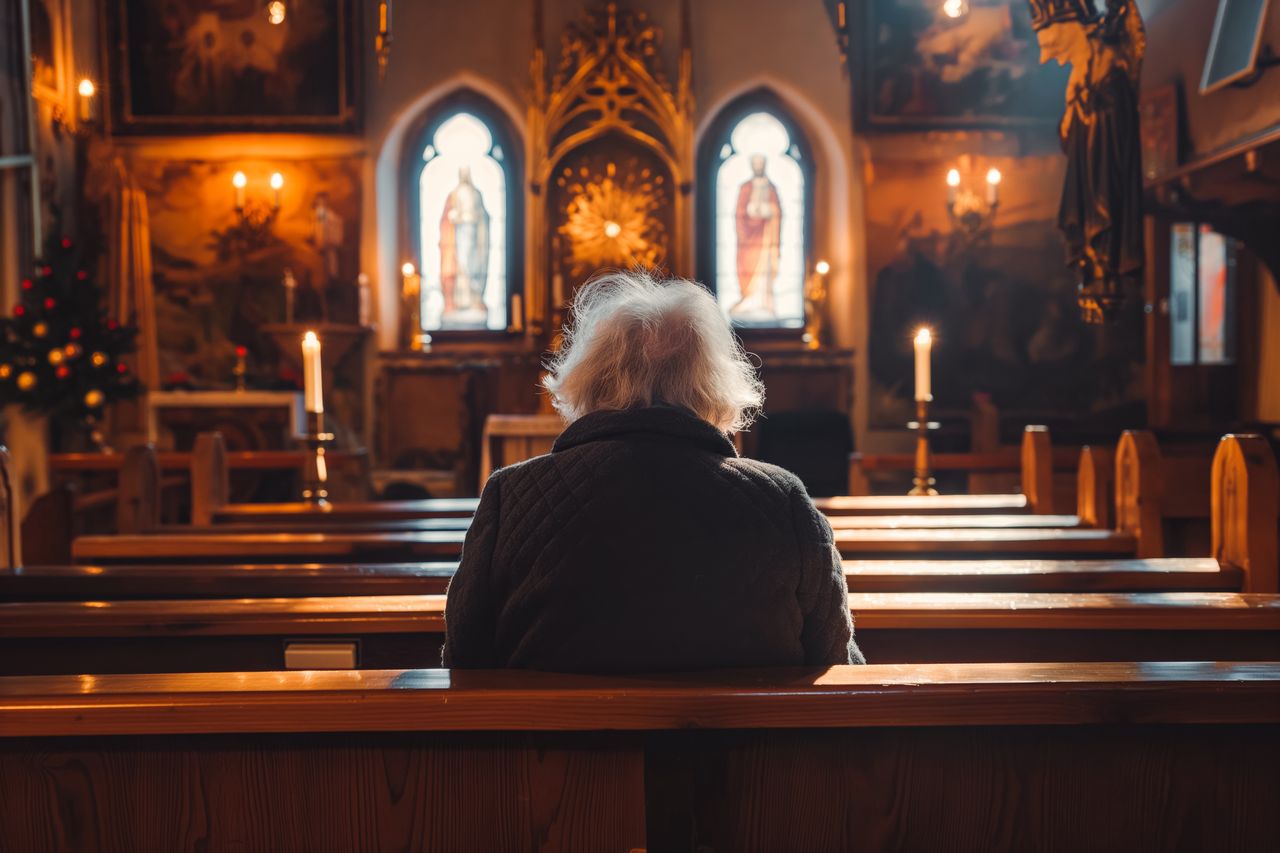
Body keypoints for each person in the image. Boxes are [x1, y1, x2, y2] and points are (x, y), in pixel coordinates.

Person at [443, 270, 862, 672]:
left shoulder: (511, 496)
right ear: (712, 385)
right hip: (742, 747)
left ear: (589, 379)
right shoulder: (783, 500)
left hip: (549, 746)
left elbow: (463, 661)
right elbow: (838, 668)